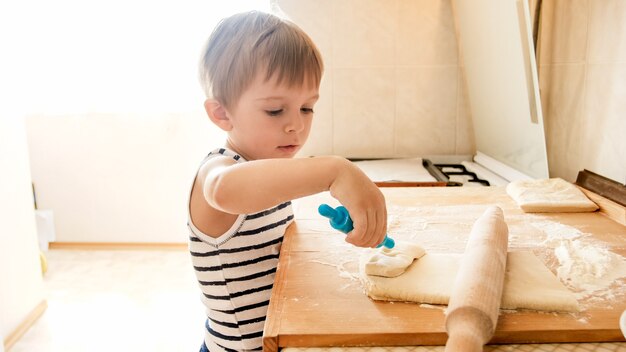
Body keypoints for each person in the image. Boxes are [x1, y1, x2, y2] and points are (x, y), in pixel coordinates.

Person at [188, 10, 388, 352]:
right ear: (222, 113)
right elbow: (225, 188)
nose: (296, 125)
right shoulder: (219, 169)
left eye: (307, 108)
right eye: (275, 111)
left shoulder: (268, 167)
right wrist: (336, 171)